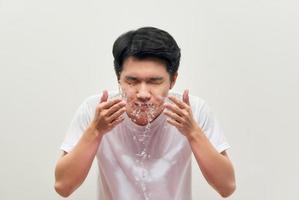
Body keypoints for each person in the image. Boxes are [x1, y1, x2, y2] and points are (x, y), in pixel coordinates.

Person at [54, 27, 236, 200]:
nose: (142, 94)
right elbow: (63, 186)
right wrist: (95, 130)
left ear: (173, 80)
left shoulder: (192, 111)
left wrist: (193, 132)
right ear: (118, 78)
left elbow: (226, 186)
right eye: (132, 81)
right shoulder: (96, 110)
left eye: (154, 81)